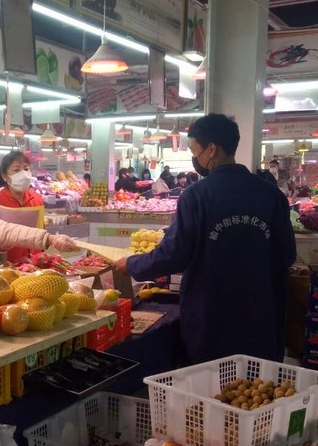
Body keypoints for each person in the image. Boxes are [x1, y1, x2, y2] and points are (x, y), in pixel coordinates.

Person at [113, 114, 296, 364]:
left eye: (194, 150)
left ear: (211, 149)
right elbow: (286, 255)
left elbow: (174, 255)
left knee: (210, 383)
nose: (194, 157)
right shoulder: (271, 195)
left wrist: (132, 264)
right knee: (256, 384)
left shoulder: (196, 196)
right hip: (259, 314)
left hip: (211, 316)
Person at [0, 151, 44, 265]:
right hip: (8, 262)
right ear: (5, 177)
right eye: (16, 170)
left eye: (26, 169)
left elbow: (40, 229)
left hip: (35, 261)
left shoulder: (36, 199)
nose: (23, 174)